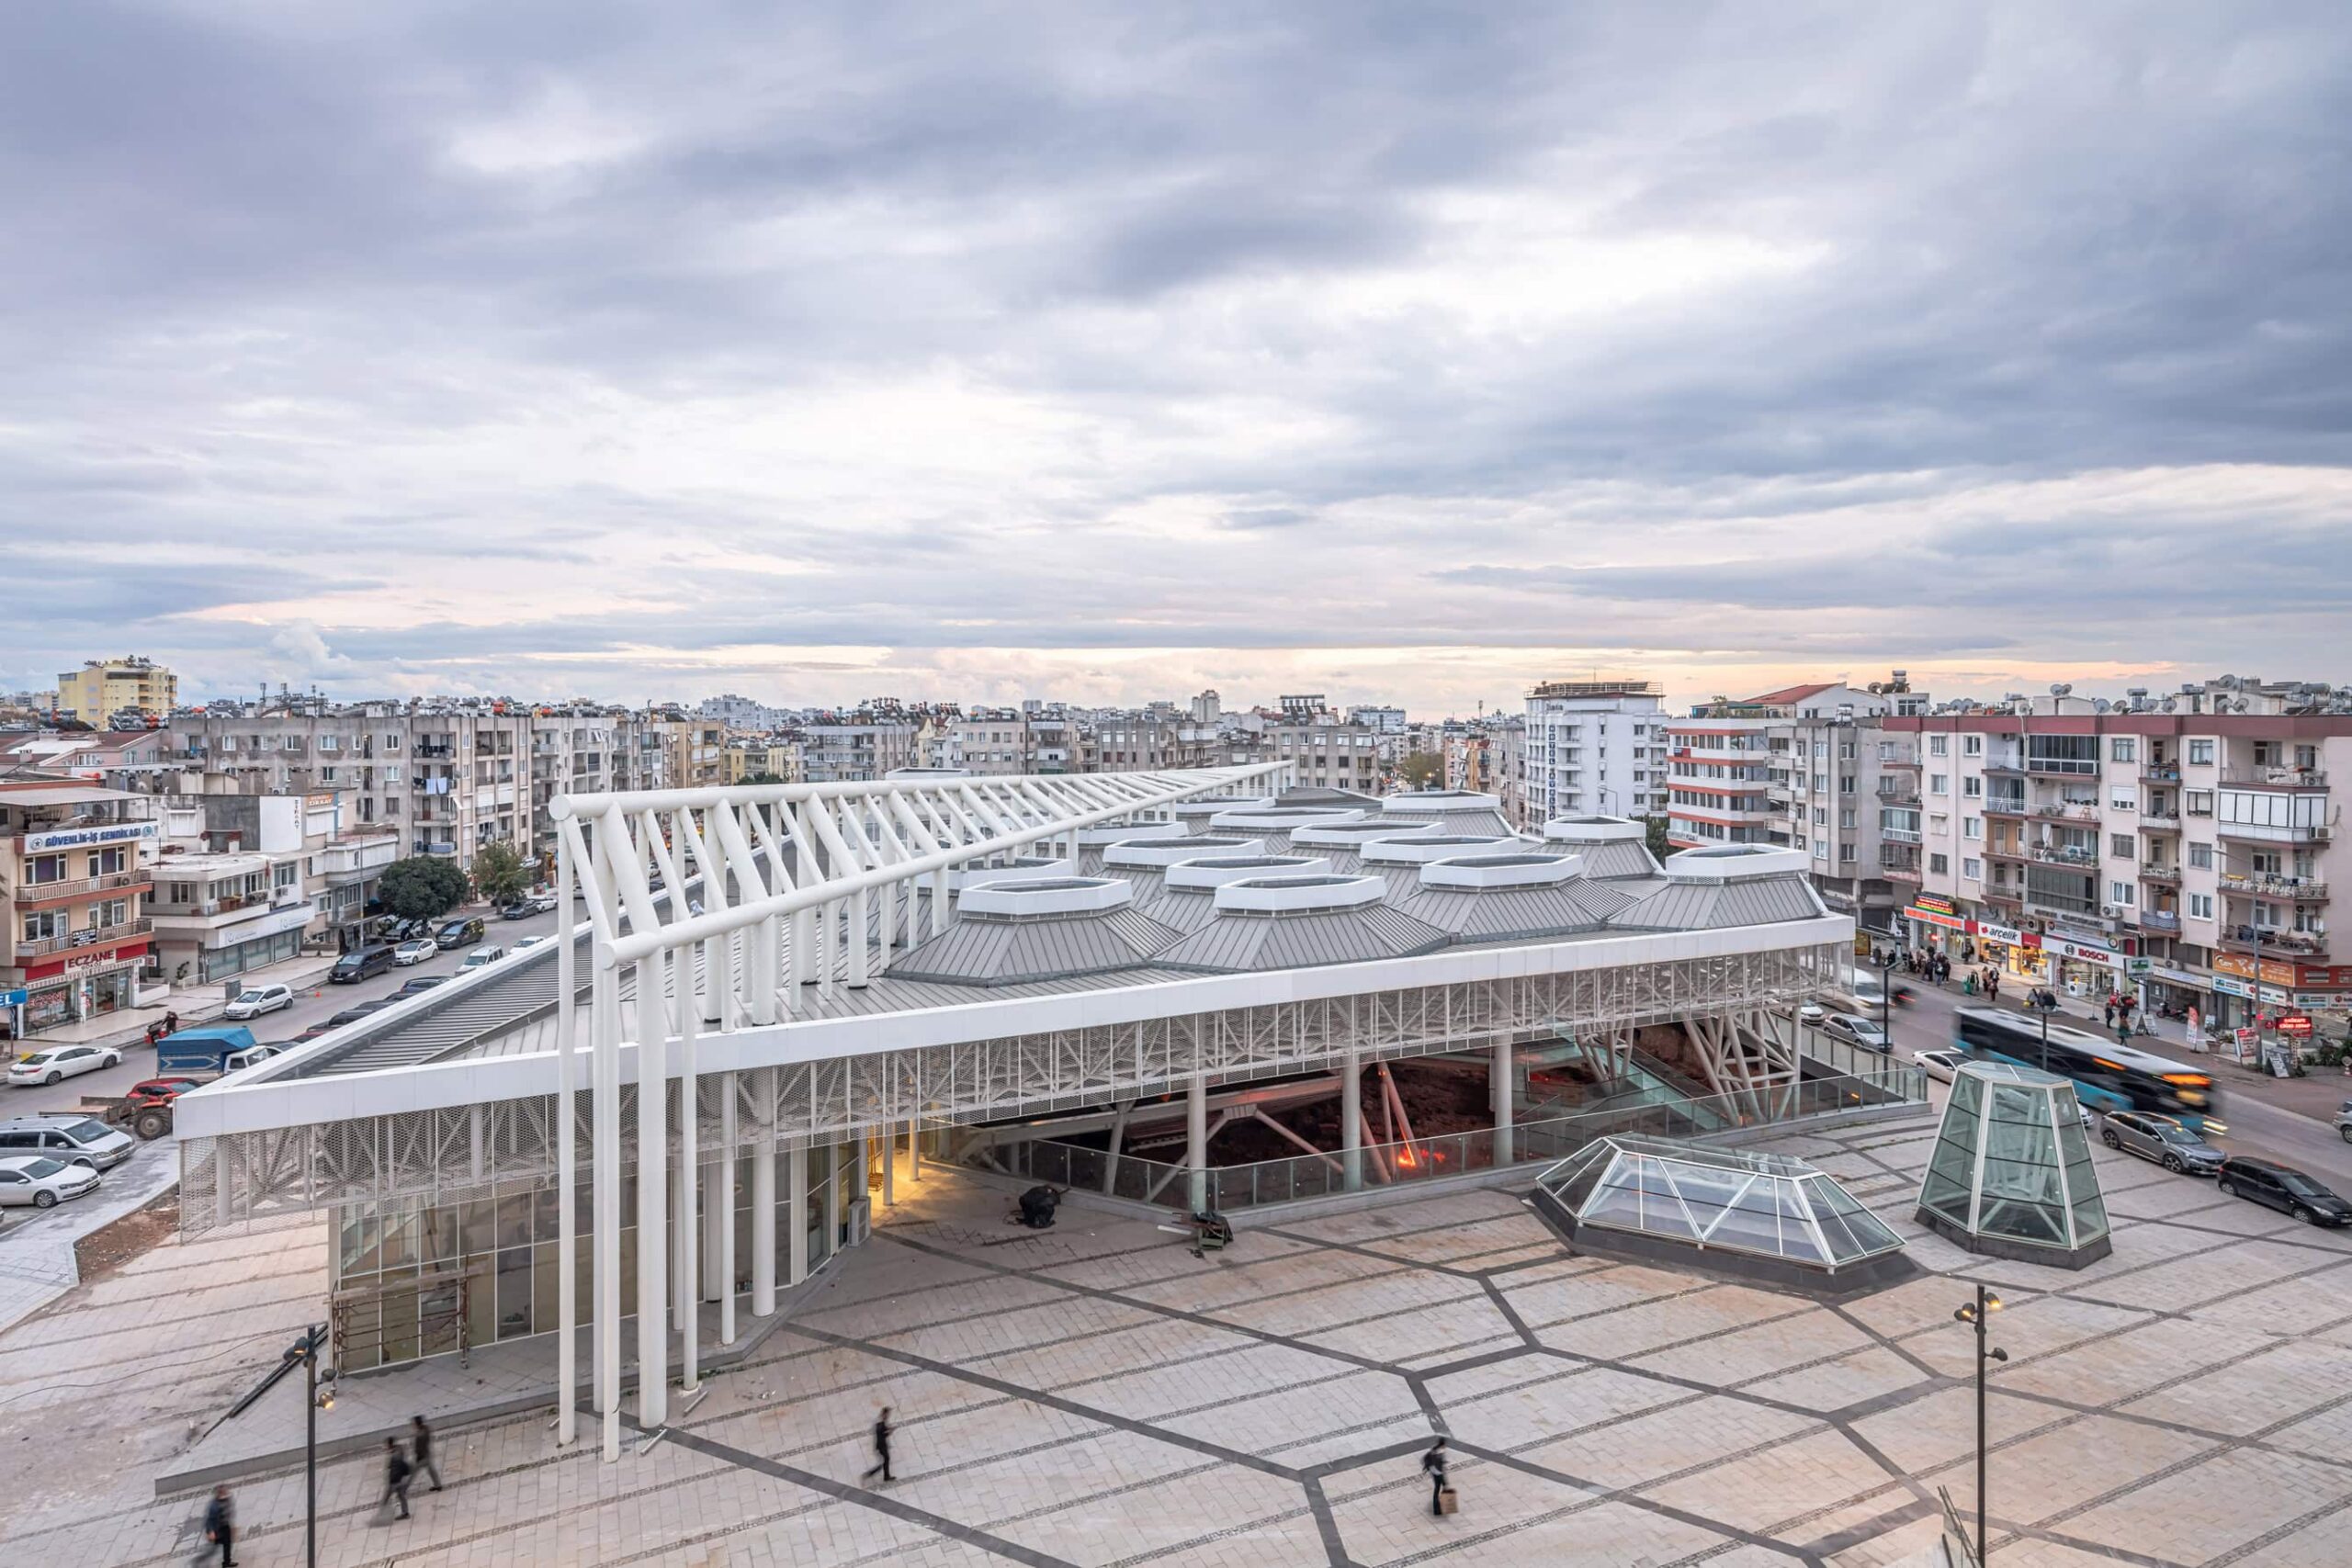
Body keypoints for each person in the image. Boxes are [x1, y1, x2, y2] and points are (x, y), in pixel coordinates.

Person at [201, 1483, 236, 1566]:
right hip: (218, 1529)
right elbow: (209, 1519)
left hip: (225, 1526)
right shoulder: (214, 1506)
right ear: (220, 1493)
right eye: (224, 1491)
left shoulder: (227, 1499)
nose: (226, 1492)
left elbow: (229, 1511)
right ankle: (204, 1562)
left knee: (227, 1545)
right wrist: (210, 1531)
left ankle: (227, 1562)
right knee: (216, 1547)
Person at [382, 1436, 413, 1521]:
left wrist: (391, 1479)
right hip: (401, 1478)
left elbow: (391, 1467)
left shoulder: (393, 1456)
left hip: (395, 1480)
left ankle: (383, 1515)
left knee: (386, 1498)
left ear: (389, 1444)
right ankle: (405, 1513)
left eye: (386, 1444)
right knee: (401, 1496)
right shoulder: (399, 1450)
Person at [862, 1405, 895, 1485]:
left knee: (886, 1460)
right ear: (884, 1414)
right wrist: (889, 1432)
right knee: (883, 1462)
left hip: (882, 1445)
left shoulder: (882, 1421)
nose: (888, 1415)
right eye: (887, 1414)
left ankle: (886, 1476)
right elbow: (881, 1434)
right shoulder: (880, 1422)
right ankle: (867, 1475)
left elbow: (883, 1429)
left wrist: (889, 1429)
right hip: (881, 1446)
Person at [411, 1415, 443, 1492]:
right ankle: (438, 1485)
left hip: (422, 1457)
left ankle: (403, 1489)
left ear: (416, 1424)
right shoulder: (426, 1429)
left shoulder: (419, 1435)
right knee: (432, 1471)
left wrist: (418, 1457)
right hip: (427, 1453)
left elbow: (418, 1448)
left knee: (412, 1472)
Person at [1420, 1438, 1450, 1516]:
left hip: (1434, 1472)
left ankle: (1438, 1507)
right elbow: (1437, 1462)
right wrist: (1440, 1464)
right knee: (1441, 1487)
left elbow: (1430, 1459)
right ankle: (1438, 1508)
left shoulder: (1434, 1449)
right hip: (1438, 1473)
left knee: (1438, 1488)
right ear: (1443, 1444)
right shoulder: (1439, 1452)